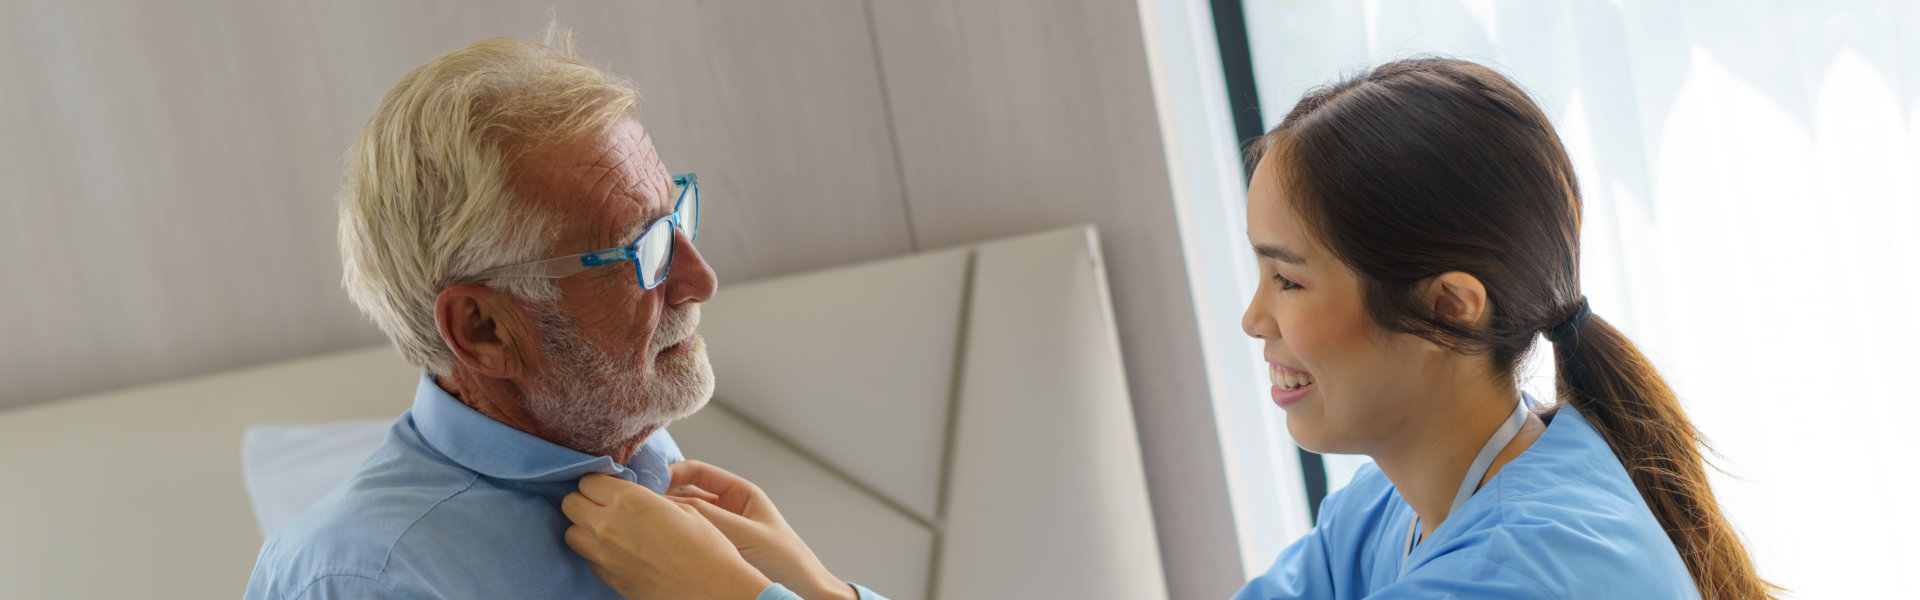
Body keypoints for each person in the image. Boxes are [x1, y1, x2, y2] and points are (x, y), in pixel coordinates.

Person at [557, 57, 1778, 599]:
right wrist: (818, 588)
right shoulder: (1400, 512)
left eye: (1289, 281)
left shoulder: (1526, 574)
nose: (1254, 319)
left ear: (1448, 307)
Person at [244, 31, 761, 599]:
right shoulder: (367, 581)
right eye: (641, 251)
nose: (700, 281)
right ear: (482, 329)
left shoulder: (627, 447)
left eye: (674, 219)